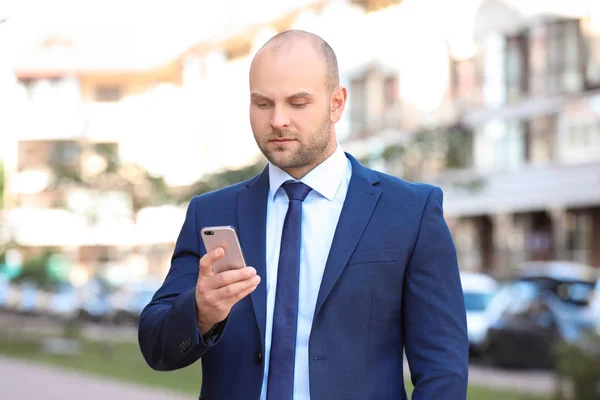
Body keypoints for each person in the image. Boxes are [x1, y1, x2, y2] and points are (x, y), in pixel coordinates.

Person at [138, 30, 469, 400]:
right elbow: (155, 346)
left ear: (337, 103)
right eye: (263, 104)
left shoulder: (411, 211)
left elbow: (443, 368)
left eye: (297, 103)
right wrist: (200, 311)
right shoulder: (211, 212)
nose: (278, 120)